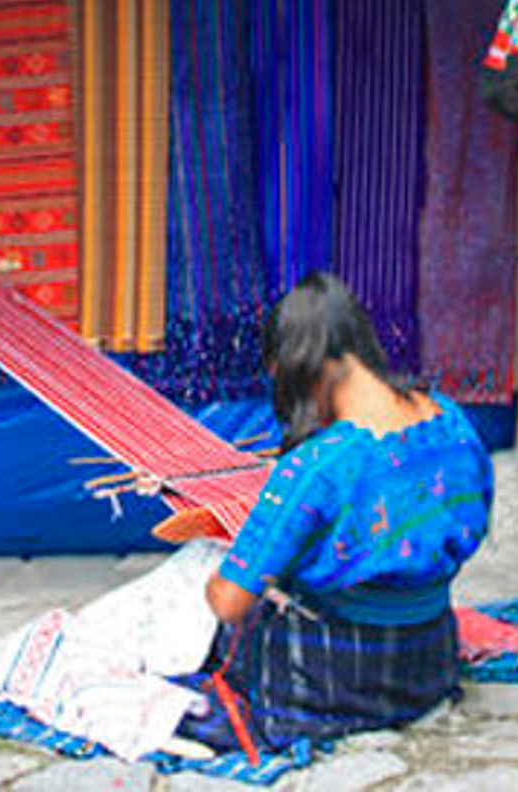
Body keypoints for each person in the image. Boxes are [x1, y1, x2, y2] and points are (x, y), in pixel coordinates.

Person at [178, 272, 494, 757]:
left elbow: (229, 604)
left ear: (293, 366)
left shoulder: (317, 467)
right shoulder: (451, 421)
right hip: (429, 660)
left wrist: (220, 570)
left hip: (338, 683)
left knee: (206, 570)